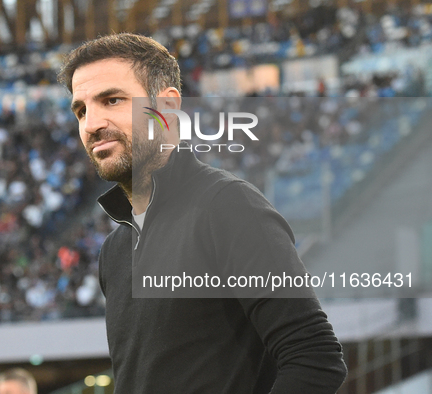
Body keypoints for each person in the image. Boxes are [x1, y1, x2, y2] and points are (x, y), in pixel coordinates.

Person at [58, 33, 347, 393]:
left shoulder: (228, 207)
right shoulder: (115, 250)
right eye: (81, 110)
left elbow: (314, 358)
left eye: (112, 100)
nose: (91, 124)